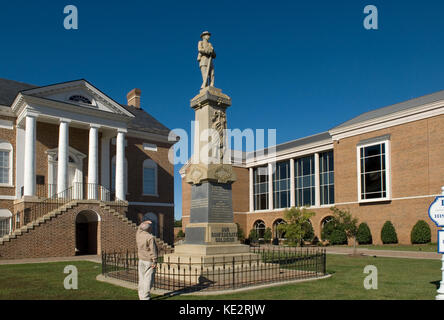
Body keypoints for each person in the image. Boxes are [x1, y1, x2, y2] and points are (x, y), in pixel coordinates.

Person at [136, 220, 158, 300]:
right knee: (148, 281)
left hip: (141, 260)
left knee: (141, 279)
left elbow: (139, 228)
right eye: (150, 227)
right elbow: (153, 251)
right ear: (149, 229)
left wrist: (144, 222)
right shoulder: (150, 237)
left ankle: (141, 296)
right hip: (149, 261)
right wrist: (154, 261)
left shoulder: (139, 234)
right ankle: (145, 297)